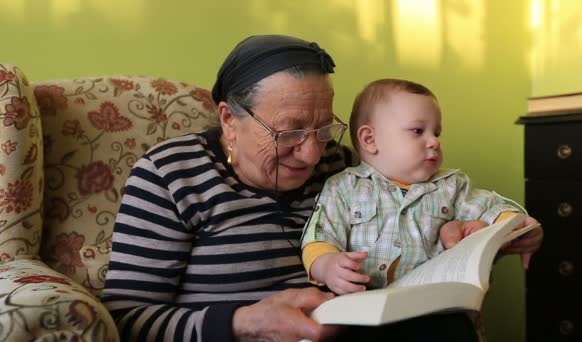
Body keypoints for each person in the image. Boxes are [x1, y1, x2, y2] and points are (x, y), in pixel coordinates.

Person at [102, 35, 544, 342]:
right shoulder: (171, 174)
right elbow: (125, 319)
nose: (313, 155)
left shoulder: (342, 164)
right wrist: (242, 323)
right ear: (228, 120)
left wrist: (483, 233)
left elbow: (414, 212)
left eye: (324, 129)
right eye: (289, 133)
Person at [301, 78, 539, 295]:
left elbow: (491, 209)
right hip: (365, 306)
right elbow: (320, 235)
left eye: (436, 132)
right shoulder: (343, 188)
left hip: (432, 305)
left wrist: (520, 226)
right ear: (370, 140)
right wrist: (328, 266)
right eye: (418, 131)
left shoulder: (450, 186)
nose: (434, 141)